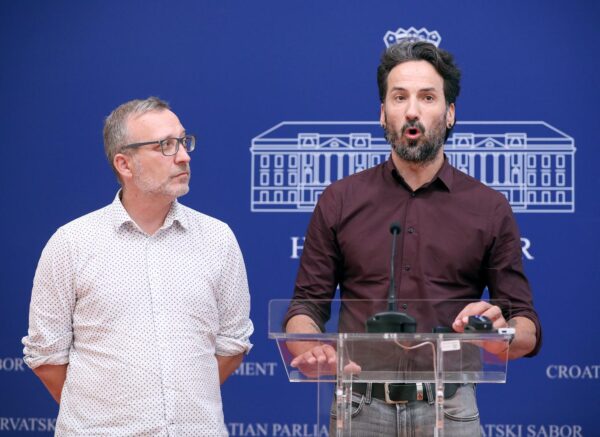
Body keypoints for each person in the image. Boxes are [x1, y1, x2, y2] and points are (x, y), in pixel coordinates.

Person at [284, 40, 541, 435]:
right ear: (382, 113)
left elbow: (525, 328)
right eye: (399, 97)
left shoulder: (489, 207)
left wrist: (498, 333)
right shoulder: (339, 200)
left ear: (450, 113)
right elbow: (305, 307)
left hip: (449, 409)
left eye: (427, 97)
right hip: (358, 406)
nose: (412, 110)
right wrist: (312, 350)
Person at [22, 97, 253, 436]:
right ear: (125, 164)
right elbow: (47, 357)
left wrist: (172, 402)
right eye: (166, 145)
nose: (184, 156)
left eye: (184, 141)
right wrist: (105, 414)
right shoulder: (71, 243)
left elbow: (232, 345)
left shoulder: (218, 239)